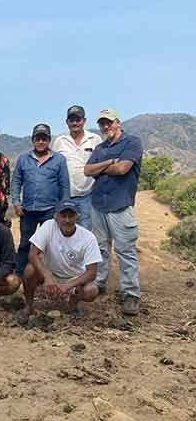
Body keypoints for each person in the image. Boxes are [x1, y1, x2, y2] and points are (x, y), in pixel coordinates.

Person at [84, 109, 143, 315]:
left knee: (126, 251)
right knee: (100, 248)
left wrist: (100, 168)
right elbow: (87, 170)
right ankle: (99, 283)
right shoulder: (100, 148)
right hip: (98, 205)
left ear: (118, 122)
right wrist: (110, 162)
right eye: (102, 124)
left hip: (120, 205)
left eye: (109, 122)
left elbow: (123, 169)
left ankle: (131, 294)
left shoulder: (132, 142)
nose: (105, 127)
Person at [19, 200, 101, 322]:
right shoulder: (48, 226)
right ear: (56, 217)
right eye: (63, 216)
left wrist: (67, 286)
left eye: (71, 216)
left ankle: (74, 302)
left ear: (77, 217)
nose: (67, 220)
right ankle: (29, 306)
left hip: (73, 278)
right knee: (29, 270)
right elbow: (32, 254)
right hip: (50, 272)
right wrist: (47, 276)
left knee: (91, 290)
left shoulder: (88, 237)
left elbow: (92, 272)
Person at [12, 123, 70, 274]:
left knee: (50, 245)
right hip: (28, 210)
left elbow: (64, 186)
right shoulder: (23, 159)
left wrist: (62, 211)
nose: (40, 142)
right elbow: (16, 182)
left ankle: (49, 276)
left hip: (50, 211)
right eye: (37, 138)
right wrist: (17, 203)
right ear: (33, 140)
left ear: (49, 140)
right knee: (25, 243)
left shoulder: (59, 160)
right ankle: (20, 273)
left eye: (44, 138)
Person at [51, 106, 102, 230]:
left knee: (86, 233)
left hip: (87, 197)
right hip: (64, 198)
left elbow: (101, 164)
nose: (75, 123)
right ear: (67, 122)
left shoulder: (95, 139)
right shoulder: (60, 141)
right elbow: (52, 167)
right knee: (64, 233)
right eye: (71, 120)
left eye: (78, 119)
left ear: (84, 121)